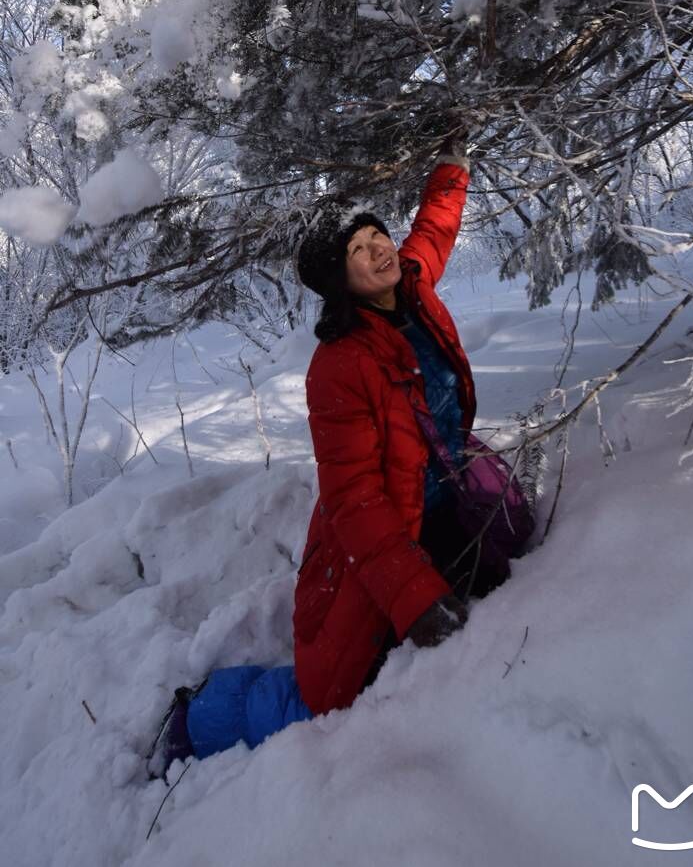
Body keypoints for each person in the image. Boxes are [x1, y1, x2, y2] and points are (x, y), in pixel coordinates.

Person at [149, 139, 518, 778]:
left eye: (376, 235)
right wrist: (412, 596)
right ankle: (201, 713)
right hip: (381, 535)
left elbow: (434, 229)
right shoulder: (339, 367)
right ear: (340, 282)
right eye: (357, 250)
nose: (377, 249)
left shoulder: (413, 286)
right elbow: (354, 500)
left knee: (508, 572)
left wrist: (453, 170)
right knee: (331, 696)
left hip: (446, 497)